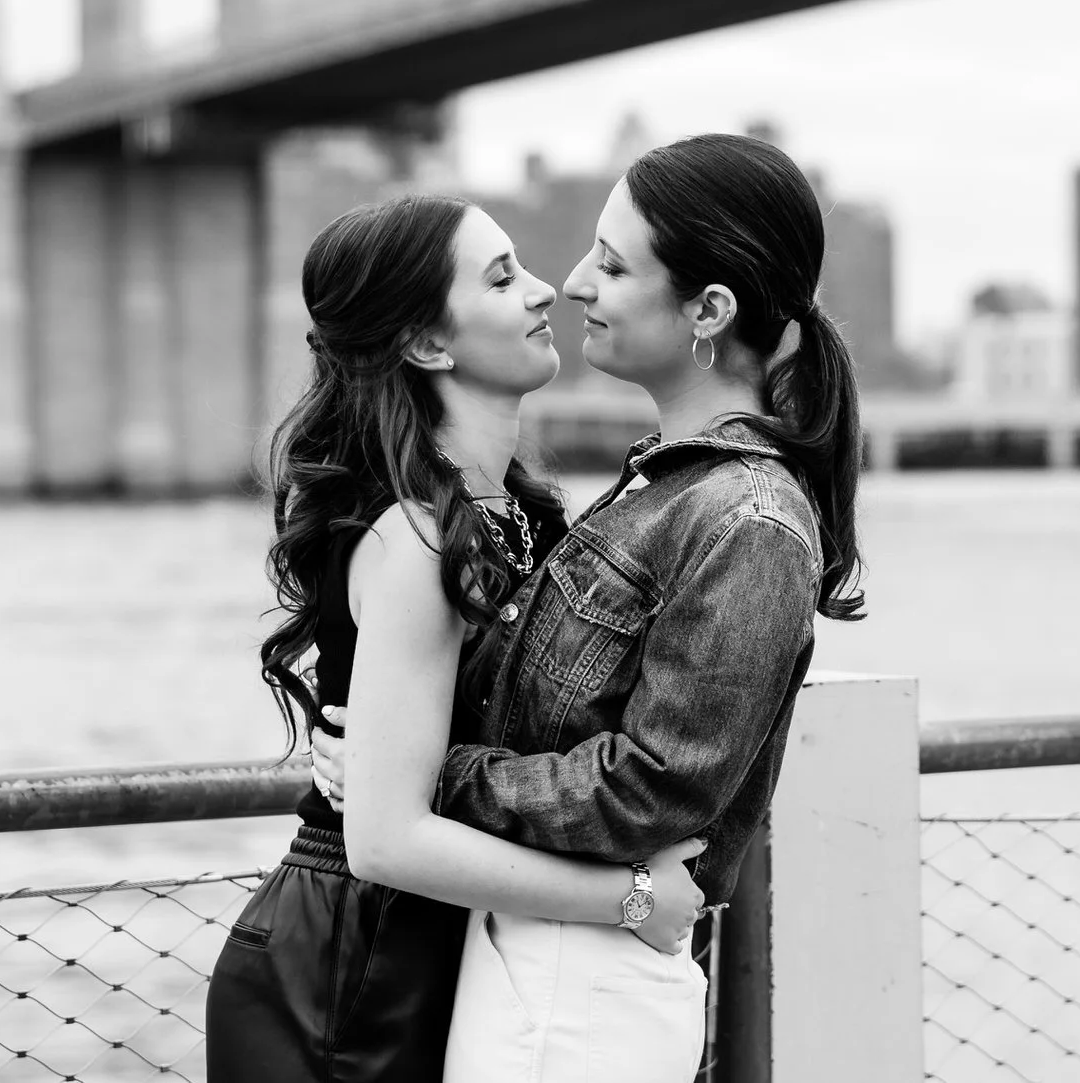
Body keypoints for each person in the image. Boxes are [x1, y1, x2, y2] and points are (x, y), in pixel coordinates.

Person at [313, 133, 867, 1083]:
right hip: (541, 956)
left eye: (610, 263)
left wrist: (424, 777)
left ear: (709, 309)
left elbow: (653, 790)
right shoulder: (659, 491)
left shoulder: (746, 519)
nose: (570, 283)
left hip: (587, 988)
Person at [204, 195, 708, 1083]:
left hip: (459, 934)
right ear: (429, 344)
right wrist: (631, 900)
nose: (547, 289)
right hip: (358, 961)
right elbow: (385, 841)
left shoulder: (520, 517)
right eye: (503, 277)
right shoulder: (416, 541)